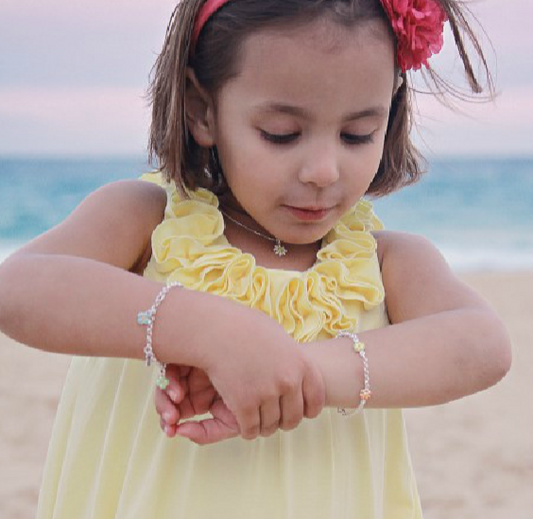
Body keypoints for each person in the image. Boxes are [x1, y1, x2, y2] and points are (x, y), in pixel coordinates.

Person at [0, 0, 511, 517]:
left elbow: (481, 344)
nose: (322, 170)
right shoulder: (147, 221)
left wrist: (295, 372)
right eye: (281, 134)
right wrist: (211, 332)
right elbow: (19, 288)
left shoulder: (386, 261)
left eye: (357, 134)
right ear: (203, 111)